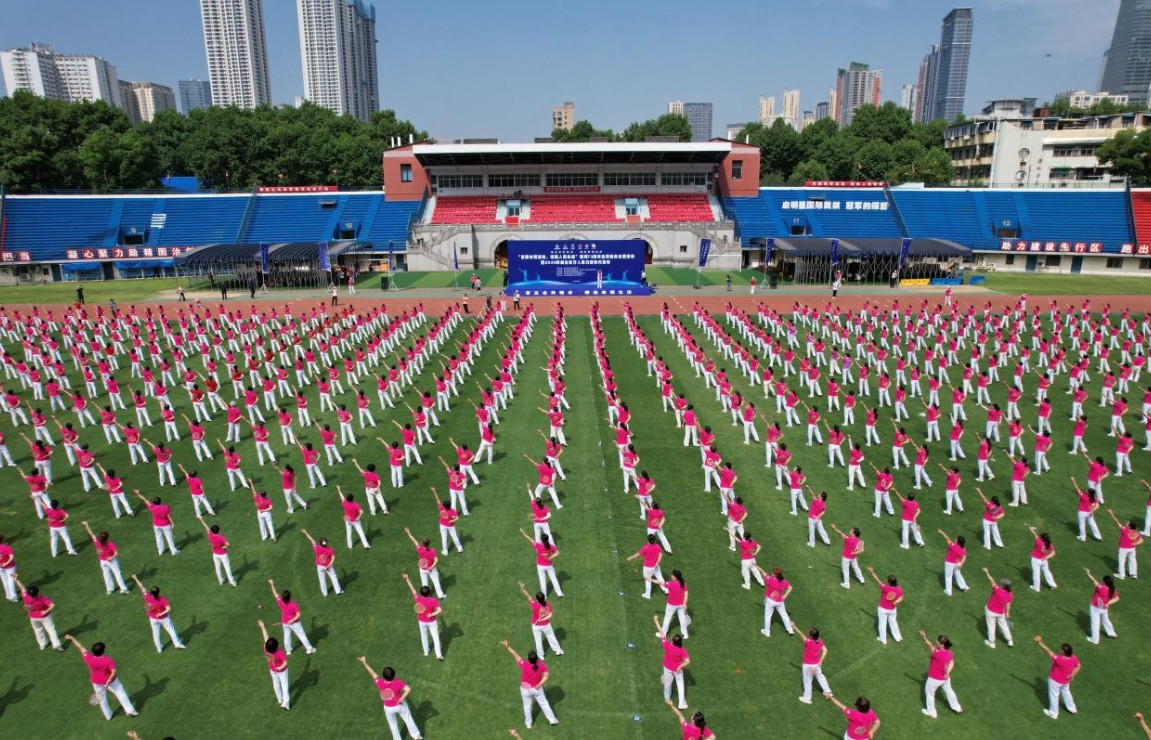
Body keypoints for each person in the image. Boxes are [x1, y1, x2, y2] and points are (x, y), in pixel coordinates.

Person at [62, 634, 138, 719]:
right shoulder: (108, 660)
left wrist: (72, 638)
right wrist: (109, 679)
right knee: (120, 692)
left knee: (102, 698)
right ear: (103, 651)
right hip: (110, 681)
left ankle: (108, 715)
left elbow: (81, 647)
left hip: (96, 681)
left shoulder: (89, 658)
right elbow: (113, 671)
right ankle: (130, 710)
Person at [358, 656, 424, 740]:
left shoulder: (380, 683)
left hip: (388, 708)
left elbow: (373, 673)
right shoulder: (397, 682)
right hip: (400, 705)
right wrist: (402, 698)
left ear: (384, 676)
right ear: (393, 675)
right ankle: (416, 736)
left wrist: (364, 662)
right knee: (408, 719)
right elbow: (408, 689)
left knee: (393, 725)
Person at [500, 639, 558, 728]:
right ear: (537, 658)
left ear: (528, 659)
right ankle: (552, 720)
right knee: (544, 704)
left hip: (525, 690)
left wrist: (507, 647)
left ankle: (528, 724)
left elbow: (515, 655)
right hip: (537, 689)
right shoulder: (541, 666)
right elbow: (546, 676)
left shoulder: (524, 665)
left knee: (527, 706)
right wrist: (539, 685)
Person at [130, 575, 186, 652]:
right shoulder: (162, 599)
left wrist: (136, 579)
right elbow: (168, 608)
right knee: (171, 630)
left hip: (153, 619)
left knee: (156, 634)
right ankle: (177, 644)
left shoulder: (148, 597)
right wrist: (161, 614)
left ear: (151, 593)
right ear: (158, 592)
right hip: (164, 618)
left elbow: (142, 587)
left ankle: (159, 648)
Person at [917, 631, 962, 718]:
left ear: (942, 644)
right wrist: (947, 673)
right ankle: (957, 708)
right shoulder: (950, 653)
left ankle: (932, 713)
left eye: (938, 641)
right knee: (950, 691)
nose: (936, 641)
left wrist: (924, 637)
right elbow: (952, 663)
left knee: (929, 694)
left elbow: (929, 645)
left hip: (934, 679)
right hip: (945, 678)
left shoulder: (937, 653)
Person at [1034, 635, 1080, 719]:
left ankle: (1053, 713)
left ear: (1064, 652)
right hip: (1065, 681)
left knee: (1054, 695)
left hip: (1055, 681)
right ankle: (1072, 708)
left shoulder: (1059, 659)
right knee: (1066, 692)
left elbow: (1048, 651)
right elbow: (1078, 666)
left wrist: (1039, 642)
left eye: (1061, 649)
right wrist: (1072, 674)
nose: (1060, 650)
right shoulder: (1073, 657)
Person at [402, 572, 443, 659]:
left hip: (421, 622)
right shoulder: (433, 600)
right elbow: (439, 610)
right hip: (432, 621)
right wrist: (432, 614)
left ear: (421, 593)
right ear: (429, 593)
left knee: (424, 636)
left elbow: (412, 589)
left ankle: (426, 652)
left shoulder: (418, 599)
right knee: (435, 638)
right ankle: (438, 655)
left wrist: (407, 579)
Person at [81, 522, 130, 595]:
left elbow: (91, 534)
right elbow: (116, 553)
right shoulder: (110, 544)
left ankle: (110, 589)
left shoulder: (97, 542)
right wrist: (111, 557)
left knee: (106, 575)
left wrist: (86, 525)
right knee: (116, 574)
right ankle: (124, 589)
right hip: (111, 561)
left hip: (103, 561)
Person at [269, 579, 316, 655]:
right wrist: (292, 620)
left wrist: (272, 584)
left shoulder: (281, 602)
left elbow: (275, 594)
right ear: (289, 597)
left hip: (285, 622)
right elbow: (298, 615)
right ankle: (309, 649)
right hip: (295, 623)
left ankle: (288, 650)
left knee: (286, 636)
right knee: (302, 635)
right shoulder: (293, 604)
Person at [518, 581, 563, 657]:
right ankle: (558, 650)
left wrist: (522, 589)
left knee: (538, 640)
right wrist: (543, 620)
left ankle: (541, 655)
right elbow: (550, 615)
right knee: (551, 637)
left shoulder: (535, 605)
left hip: (536, 626)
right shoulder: (548, 605)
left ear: (537, 599)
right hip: (546, 625)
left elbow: (528, 596)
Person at [655, 615, 690, 710]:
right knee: (680, 684)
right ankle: (682, 704)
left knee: (667, 683)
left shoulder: (667, 645)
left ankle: (667, 699)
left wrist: (656, 620)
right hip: (677, 670)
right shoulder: (682, 650)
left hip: (667, 667)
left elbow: (662, 633)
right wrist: (680, 666)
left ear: (673, 641)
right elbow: (687, 661)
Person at [17, 580, 63, 650]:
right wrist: (46, 611)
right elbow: (52, 605)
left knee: (38, 630)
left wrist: (16, 579)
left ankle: (42, 644)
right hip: (45, 617)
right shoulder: (41, 598)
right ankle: (56, 644)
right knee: (51, 630)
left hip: (33, 618)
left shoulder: (26, 597)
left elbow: (22, 587)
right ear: (37, 593)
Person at [257, 619, 291, 710]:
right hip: (282, 671)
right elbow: (285, 663)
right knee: (284, 685)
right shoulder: (280, 652)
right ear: (276, 646)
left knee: (276, 684)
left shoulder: (266, 649)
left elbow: (266, 637)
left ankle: (280, 699)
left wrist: (262, 627)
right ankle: (286, 704)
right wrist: (281, 667)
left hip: (273, 669)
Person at [404, 527, 446, 598]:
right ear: (429, 544)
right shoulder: (432, 551)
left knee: (424, 584)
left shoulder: (420, 549)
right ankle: (440, 595)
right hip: (431, 569)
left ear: (423, 544)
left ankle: (425, 596)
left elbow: (414, 541)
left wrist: (409, 533)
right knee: (436, 582)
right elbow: (436, 560)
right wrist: (431, 568)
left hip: (422, 569)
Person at [521, 528, 563, 598]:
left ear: (541, 540)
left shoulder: (538, 546)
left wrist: (523, 533)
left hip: (540, 566)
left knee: (542, 581)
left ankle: (544, 596)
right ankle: (559, 593)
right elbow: (557, 552)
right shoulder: (550, 547)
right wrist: (550, 558)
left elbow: (530, 539)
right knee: (553, 578)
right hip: (549, 565)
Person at [197, 517, 237, 587]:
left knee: (217, 567)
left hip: (215, 554)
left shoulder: (210, 535)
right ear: (219, 530)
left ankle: (221, 581)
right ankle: (232, 581)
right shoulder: (221, 537)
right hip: (223, 554)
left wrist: (201, 519)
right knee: (227, 567)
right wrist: (224, 547)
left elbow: (206, 527)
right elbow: (228, 544)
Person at [868, 566, 903, 644]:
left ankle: (883, 640)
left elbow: (878, 581)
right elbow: (901, 597)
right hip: (892, 609)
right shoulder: (899, 589)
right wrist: (896, 602)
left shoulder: (886, 588)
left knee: (882, 624)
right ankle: (898, 638)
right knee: (893, 623)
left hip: (883, 609)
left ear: (889, 582)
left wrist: (872, 572)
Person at [981, 567, 1015, 648]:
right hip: (1000, 613)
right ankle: (1010, 641)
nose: (1000, 584)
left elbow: (992, 581)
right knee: (1004, 626)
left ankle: (991, 642)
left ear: (1003, 586)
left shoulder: (998, 590)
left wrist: (987, 573)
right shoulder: (1010, 595)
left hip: (990, 611)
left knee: (991, 626)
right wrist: (1007, 614)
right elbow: (1008, 604)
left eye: (1002, 584)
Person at [1083, 568, 1119, 644]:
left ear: (1105, 582)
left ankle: (1095, 640)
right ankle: (1112, 633)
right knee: (1106, 620)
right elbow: (1117, 598)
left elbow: (1093, 580)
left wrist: (1088, 573)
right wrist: (1108, 603)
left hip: (1095, 607)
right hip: (1104, 608)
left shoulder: (1100, 587)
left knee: (1095, 623)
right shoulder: (1112, 589)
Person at [303, 528, 343, 596]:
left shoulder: (317, 548)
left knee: (322, 580)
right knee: (333, 577)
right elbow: (333, 558)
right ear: (326, 542)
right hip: (328, 566)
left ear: (320, 543)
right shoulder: (330, 549)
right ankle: (338, 591)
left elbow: (312, 540)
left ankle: (325, 594)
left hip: (319, 566)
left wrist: (306, 533)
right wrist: (329, 565)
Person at [831, 524, 865, 589]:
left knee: (846, 570)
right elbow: (862, 550)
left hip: (846, 557)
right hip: (853, 557)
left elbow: (841, 534)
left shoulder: (849, 539)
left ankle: (846, 584)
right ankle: (862, 579)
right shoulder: (859, 541)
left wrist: (834, 528)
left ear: (854, 533)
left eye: (851, 530)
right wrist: (855, 553)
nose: (850, 531)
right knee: (856, 568)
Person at [937, 529, 969, 596]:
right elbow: (964, 557)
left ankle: (948, 591)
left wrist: (941, 532)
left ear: (958, 541)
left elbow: (947, 538)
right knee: (958, 574)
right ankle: (964, 587)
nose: (955, 539)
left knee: (948, 577)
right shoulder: (963, 549)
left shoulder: (953, 546)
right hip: (957, 563)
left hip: (950, 563)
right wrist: (961, 564)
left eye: (956, 539)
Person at [1027, 525, 1058, 592]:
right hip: (1044, 560)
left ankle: (1036, 588)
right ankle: (1053, 585)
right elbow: (1053, 553)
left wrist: (1029, 528)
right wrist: (1046, 557)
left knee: (1036, 574)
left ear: (1042, 538)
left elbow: (1034, 534)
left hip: (1036, 560)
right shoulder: (1049, 544)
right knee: (1047, 572)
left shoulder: (1039, 542)